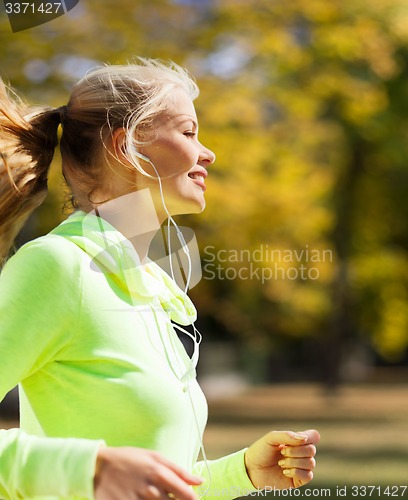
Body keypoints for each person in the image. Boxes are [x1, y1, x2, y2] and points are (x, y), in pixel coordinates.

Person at [0, 58, 320, 500]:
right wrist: (83, 468)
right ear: (126, 146)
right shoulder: (57, 267)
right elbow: (103, 474)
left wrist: (242, 471)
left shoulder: (151, 285)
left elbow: (146, 477)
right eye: (188, 132)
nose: (208, 152)